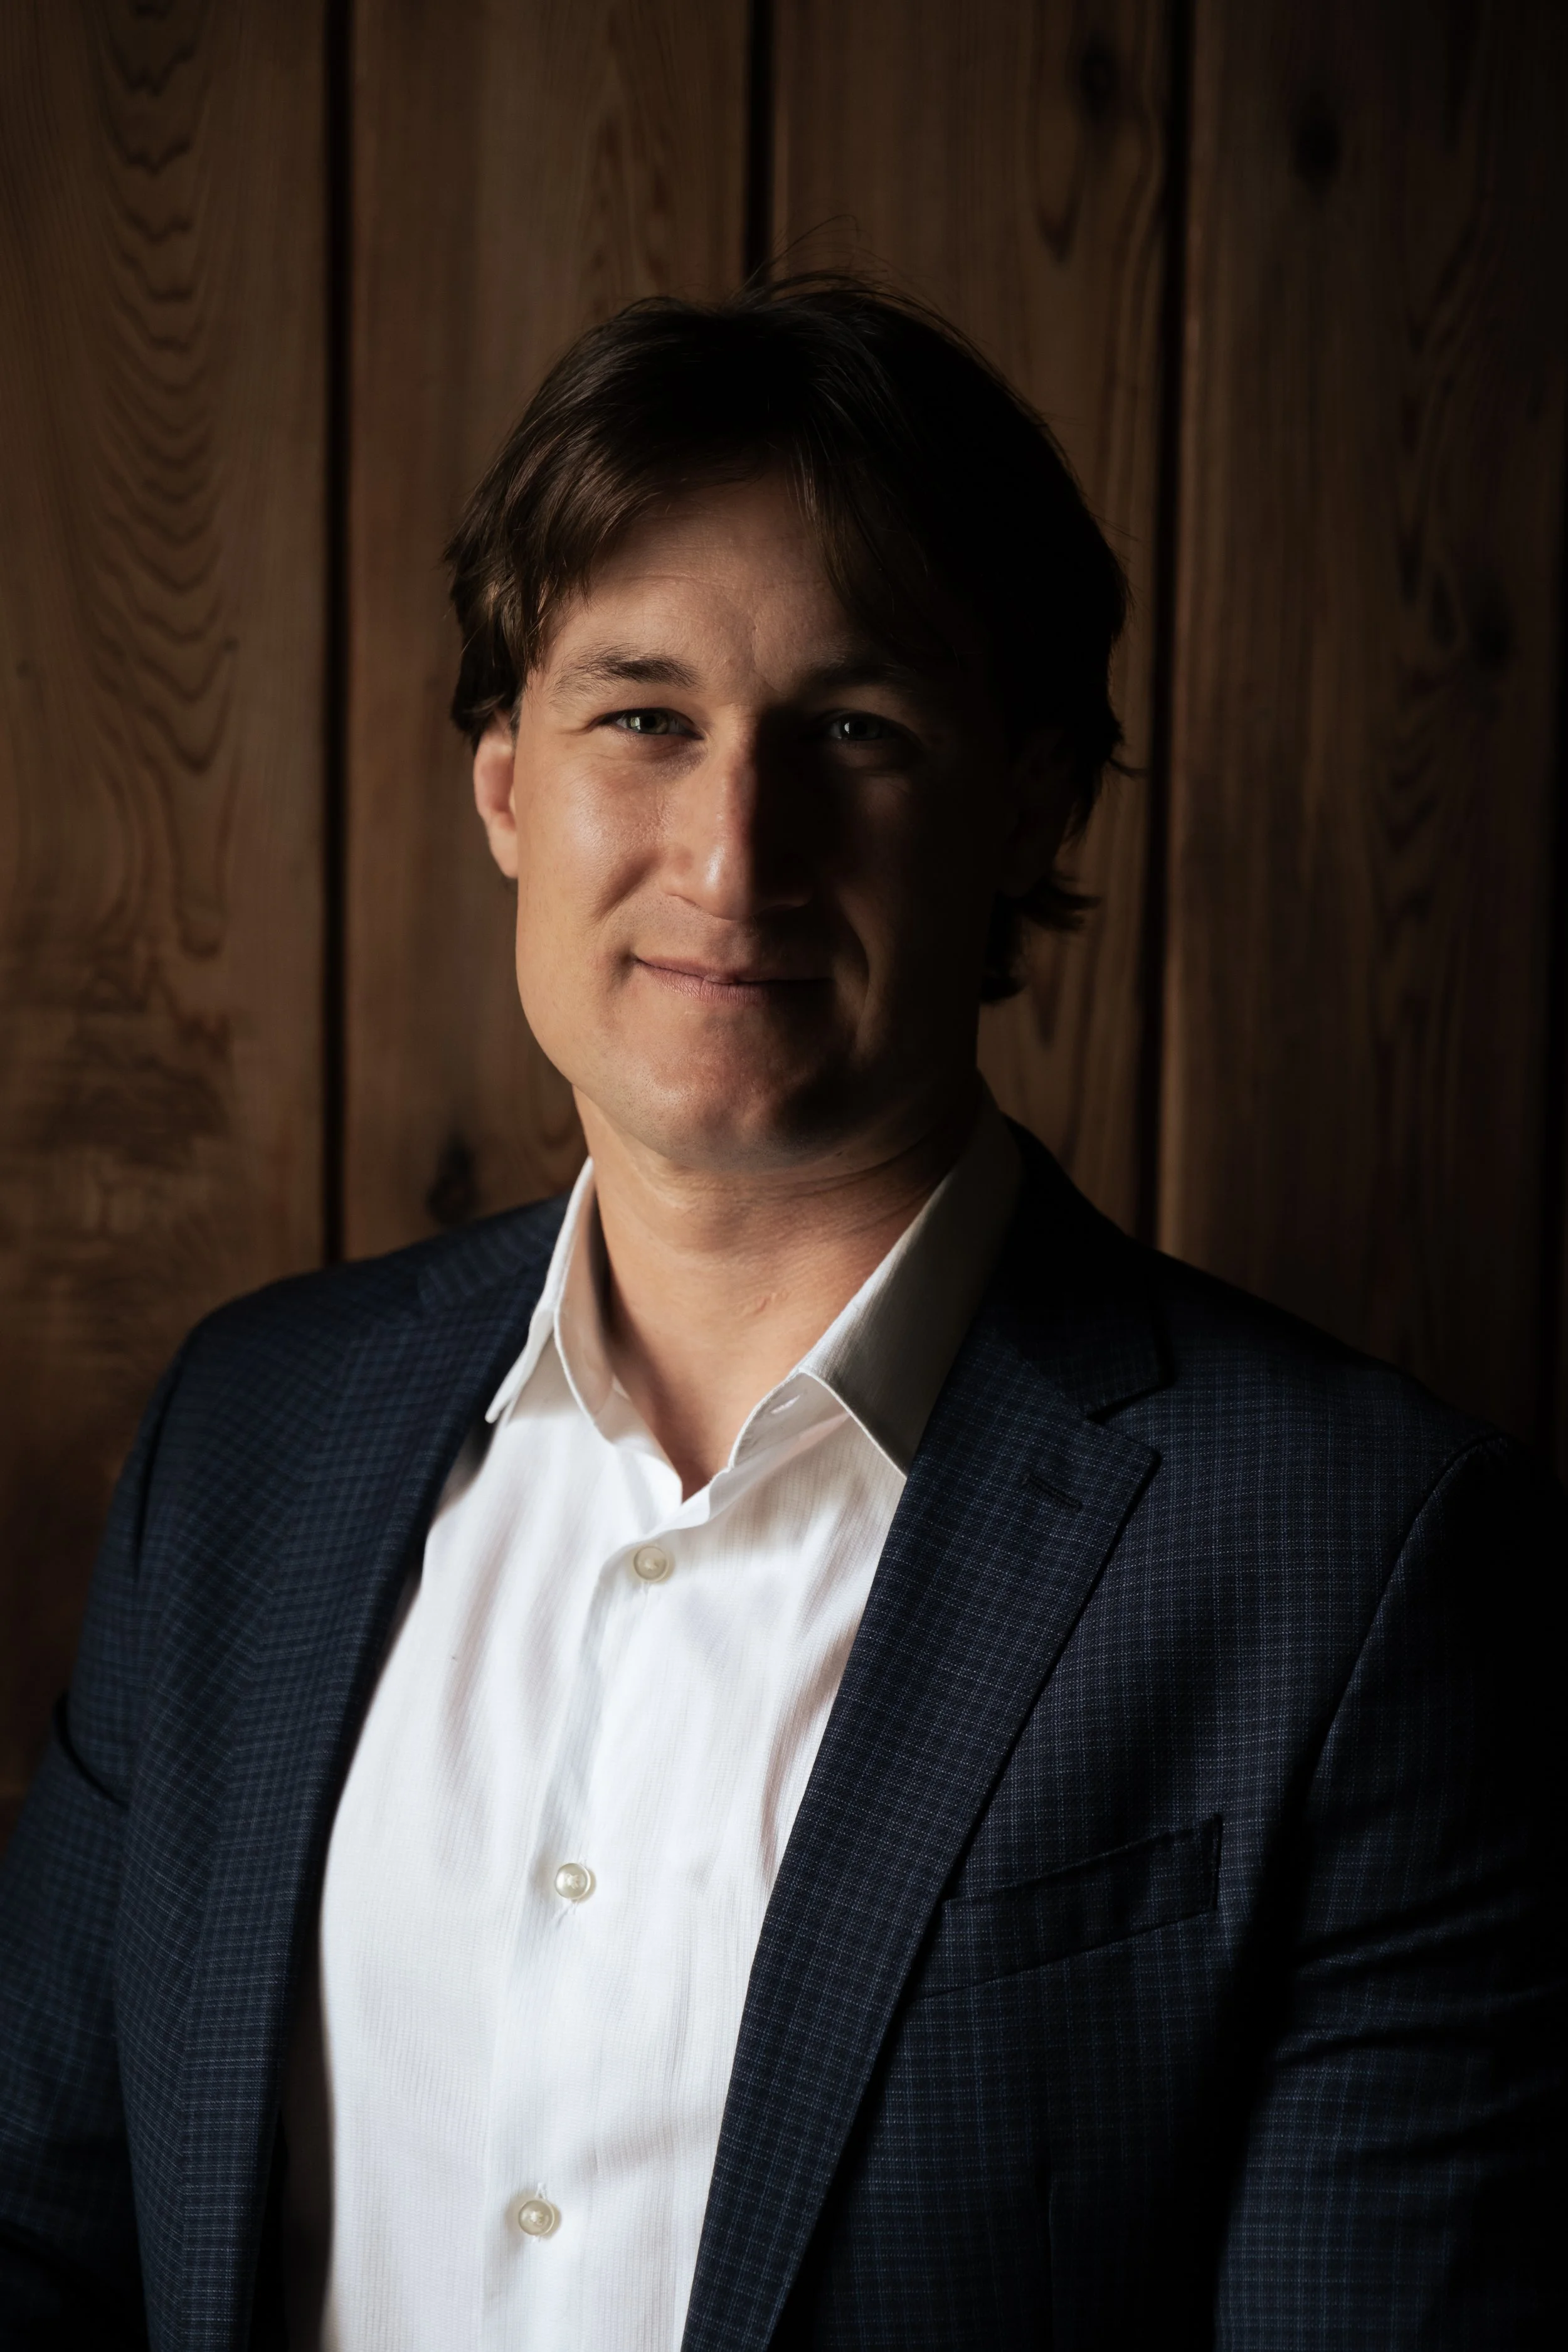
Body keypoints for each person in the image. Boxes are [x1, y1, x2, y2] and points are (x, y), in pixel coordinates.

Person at [0, 277, 1560, 2352]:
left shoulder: (1352, 1562)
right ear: (503, 789)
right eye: (641, 717)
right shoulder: (247, 1440)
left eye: (853, 732)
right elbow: (41, 2229)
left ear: (1028, 810)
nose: (734, 856)